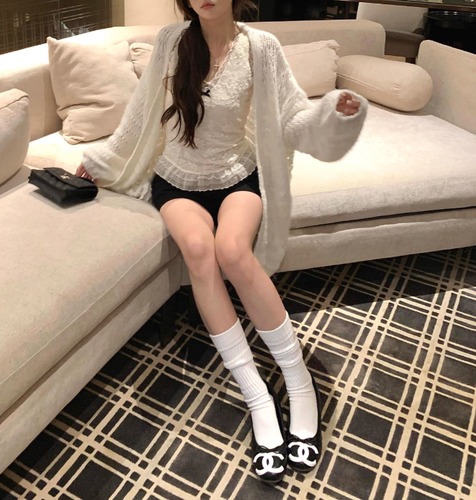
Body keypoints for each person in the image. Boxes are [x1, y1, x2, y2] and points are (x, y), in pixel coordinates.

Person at [76, 0, 367, 484]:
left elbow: (294, 117)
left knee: (233, 251)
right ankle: (256, 394)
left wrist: (334, 115)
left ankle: (300, 383)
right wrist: (101, 159)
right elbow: (140, 112)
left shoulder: (260, 47)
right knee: (199, 252)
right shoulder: (171, 42)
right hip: (176, 180)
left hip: (236, 176)